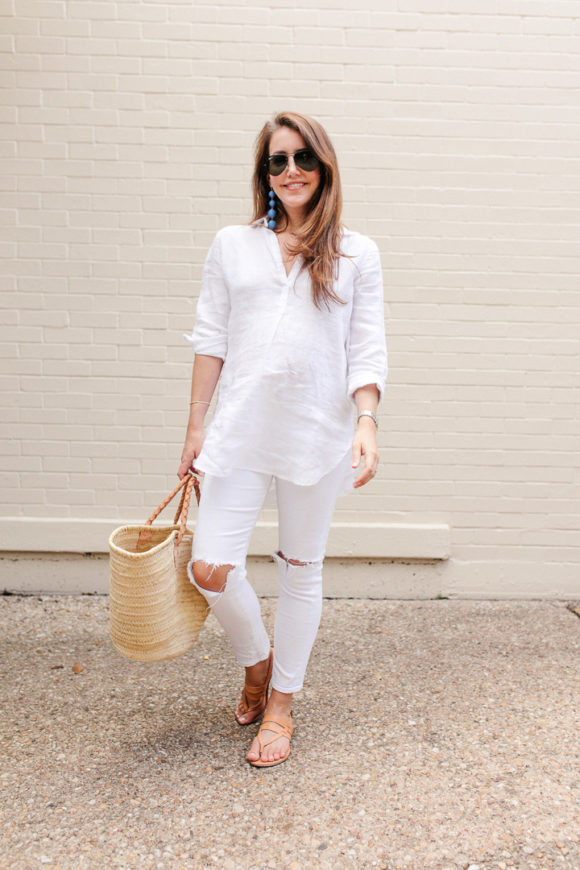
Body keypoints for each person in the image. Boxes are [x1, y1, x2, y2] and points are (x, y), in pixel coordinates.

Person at [178, 111, 387, 768]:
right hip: (239, 431)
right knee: (209, 566)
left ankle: (283, 704)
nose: (290, 170)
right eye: (277, 161)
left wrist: (367, 418)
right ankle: (258, 660)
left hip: (315, 437)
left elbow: (366, 349)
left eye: (302, 159)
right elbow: (211, 340)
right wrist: (193, 430)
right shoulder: (231, 246)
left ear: (323, 168)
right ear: (264, 173)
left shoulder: (357, 252)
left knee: (300, 570)